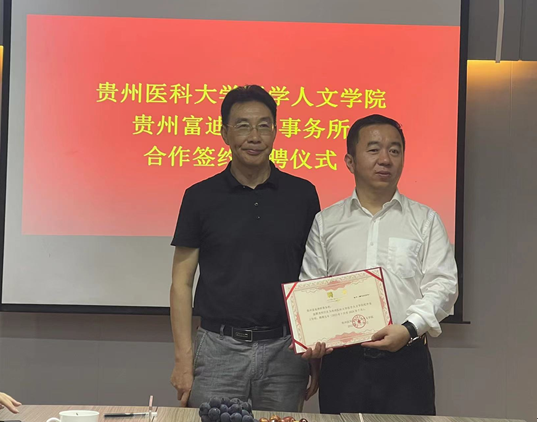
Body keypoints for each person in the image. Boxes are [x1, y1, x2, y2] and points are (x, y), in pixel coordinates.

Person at [169, 85, 321, 411]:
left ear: (275, 131)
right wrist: (183, 359)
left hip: (285, 350)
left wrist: (314, 354)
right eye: (243, 126)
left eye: (264, 126)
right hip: (218, 348)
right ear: (225, 133)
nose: (254, 137)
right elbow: (181, 282)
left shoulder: (303, 195)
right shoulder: (199, 197)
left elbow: (313, 277)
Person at [300, 114, 458, 415]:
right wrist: (313, 337)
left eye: (394, 150)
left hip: (406, 361)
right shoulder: (326, 222)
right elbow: (312, 288)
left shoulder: (425, 221)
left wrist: (409, 328)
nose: (385, 159)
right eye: (374, 149)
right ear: (350, 161)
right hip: (344, 363)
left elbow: (444, 286)